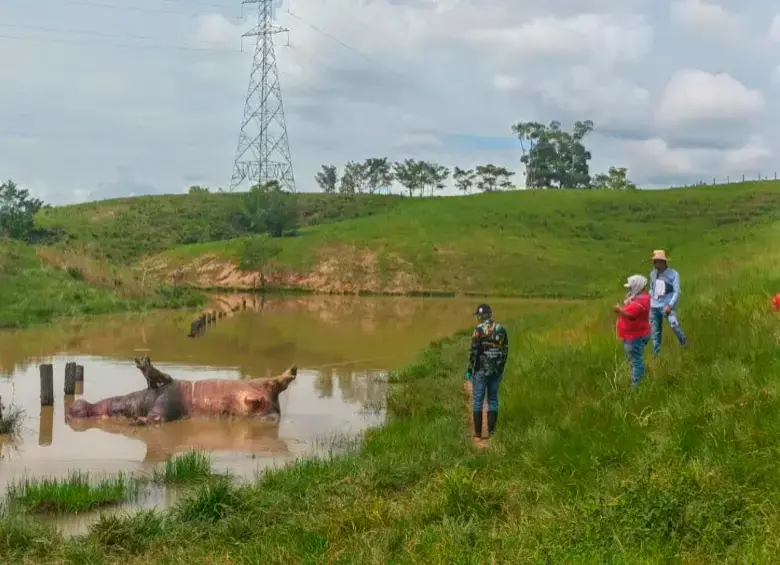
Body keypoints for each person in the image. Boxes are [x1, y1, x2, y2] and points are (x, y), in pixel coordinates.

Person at [465, 304, 508, 439]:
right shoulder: (501, 329)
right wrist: (500, 369)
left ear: (480, 316)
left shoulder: (478, 330)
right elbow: (504, 351)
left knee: (478, 400)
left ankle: (478, 434)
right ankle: (492, 433)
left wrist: (469, 369)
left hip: (480, 371)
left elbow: (474, 352)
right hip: (495, 371)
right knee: (493, 400)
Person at [614, 275, 652, 386]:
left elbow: (631, 314)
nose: (629, 289)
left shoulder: (641, 300)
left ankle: (637, 385)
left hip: (635, 336)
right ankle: (637, 379)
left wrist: (619, 309)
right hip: (636, 334)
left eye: (631, 287)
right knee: (633, 359)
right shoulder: (641, 298)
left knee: (636, 361)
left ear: (637, 286)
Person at [649, 249, 688, 355]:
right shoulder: (652, 274)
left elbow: (677, 292)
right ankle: (656, 354)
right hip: (654, 306)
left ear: (663, 262)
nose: (654, 263)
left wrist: (670, 305)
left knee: (674, 325)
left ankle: (684, 344)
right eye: (654, 261)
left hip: (666, 305)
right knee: (655, 331)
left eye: (657, 261)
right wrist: (650, 298)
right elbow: (651, 288)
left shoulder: (673, 274)